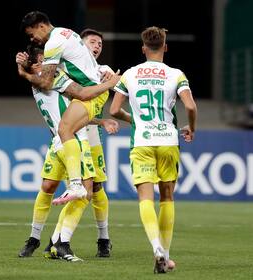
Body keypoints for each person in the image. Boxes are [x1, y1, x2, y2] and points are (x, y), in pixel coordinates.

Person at [16, 45, 119, 261]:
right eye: (43, 61)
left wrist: (23, 69)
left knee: (48, 187)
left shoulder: (40, 81)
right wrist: (109, 83)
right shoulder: (51, 78)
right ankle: (60, 243)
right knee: (85, 192)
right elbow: (82, 92)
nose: (48, 64)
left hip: (58, 141)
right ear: (37, 65)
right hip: (75, 141)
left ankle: (39, 240)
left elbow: (73, 112)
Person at [109, 26, 197, 273]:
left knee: (145, 198)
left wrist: (134, 120)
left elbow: (114, 111)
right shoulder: (175, 74)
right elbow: (190, 106)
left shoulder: (130, 74)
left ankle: (156, 248)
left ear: (143, 48)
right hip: (168, 141)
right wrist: (191, 127)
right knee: (167, 197)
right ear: (165, 47)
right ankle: (166, 256)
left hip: (142, 142)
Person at [19, 11, 119, 204]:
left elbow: (46, 81)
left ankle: (75, 186)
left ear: (41, 26)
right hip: (91, 88)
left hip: (90, 91)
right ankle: (77, 189)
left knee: (64, 129)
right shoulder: (66, 32)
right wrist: (28, 64)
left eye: (32, 34)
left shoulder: (53, 43)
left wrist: (24, 74)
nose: (33, 39)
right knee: (66, 131)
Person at [80, 28, 115, 257]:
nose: (97, 46)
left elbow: (120, 87)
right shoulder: (67, 66)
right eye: (93, 42)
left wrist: (111, 81)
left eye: (100, 44)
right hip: (68, 133)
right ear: (81, 45)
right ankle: (47, 237)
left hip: (91, 133)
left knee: (96, 187)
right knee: (54, 185)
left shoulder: (104, 71)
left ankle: (104, 238)